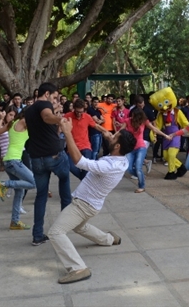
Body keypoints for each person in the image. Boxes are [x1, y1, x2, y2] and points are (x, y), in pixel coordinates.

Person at [48, 118, 136, 284]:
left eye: (114, 136)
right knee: (80, 226)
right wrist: (107, 134)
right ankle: (109, 239)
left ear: (117, 147)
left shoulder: (108, 166)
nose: (111, 135)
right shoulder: (121, 160)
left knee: (56, 232)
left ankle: (78, 268)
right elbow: (112, 142)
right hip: (92, 205)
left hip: (83, 205)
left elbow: (79, 162)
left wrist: (67, 132)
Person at [25, 82, 72, 246]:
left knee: (41, 196)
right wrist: (61, 119)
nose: (55, 100)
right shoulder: (44, 104)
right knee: (65, 184)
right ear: (46, 94)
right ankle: (64, 229)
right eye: (54, 97)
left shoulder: (29, 109)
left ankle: (37, 235)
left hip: (36, 158)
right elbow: (46, 116)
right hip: (53, 156)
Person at [0, 106, 36, 229]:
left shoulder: (12, 123)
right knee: (34, 183)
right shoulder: (24, 122)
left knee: (20, 190)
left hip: (9, 161)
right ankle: (5, 184)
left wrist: (2, 120)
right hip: (13, 161)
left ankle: (15, 222)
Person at [120, 108, 169, 193]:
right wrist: (113, 137)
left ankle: (141, 186)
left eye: (135, 116)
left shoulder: (144, 121)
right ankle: (141, 176)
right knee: (129, 168)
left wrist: (165, 135)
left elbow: (154, 129)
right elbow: (120, 131)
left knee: (138, 167)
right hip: (130, 148)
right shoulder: (127, 120)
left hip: (141, 147)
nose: (133, 117)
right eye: (133, 116)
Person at [64, 99, 112, 180]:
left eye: (81, 112)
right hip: (72, 147)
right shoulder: (68, 116)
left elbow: (96, 126)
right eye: (77, 111)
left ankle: (84, 182)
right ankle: (85, 181)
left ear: (84, 109)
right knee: (70, 166)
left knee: (86, 169)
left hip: (85, 146)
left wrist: (106, 131)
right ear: (74, 109)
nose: (79, 114)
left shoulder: (87, 117)